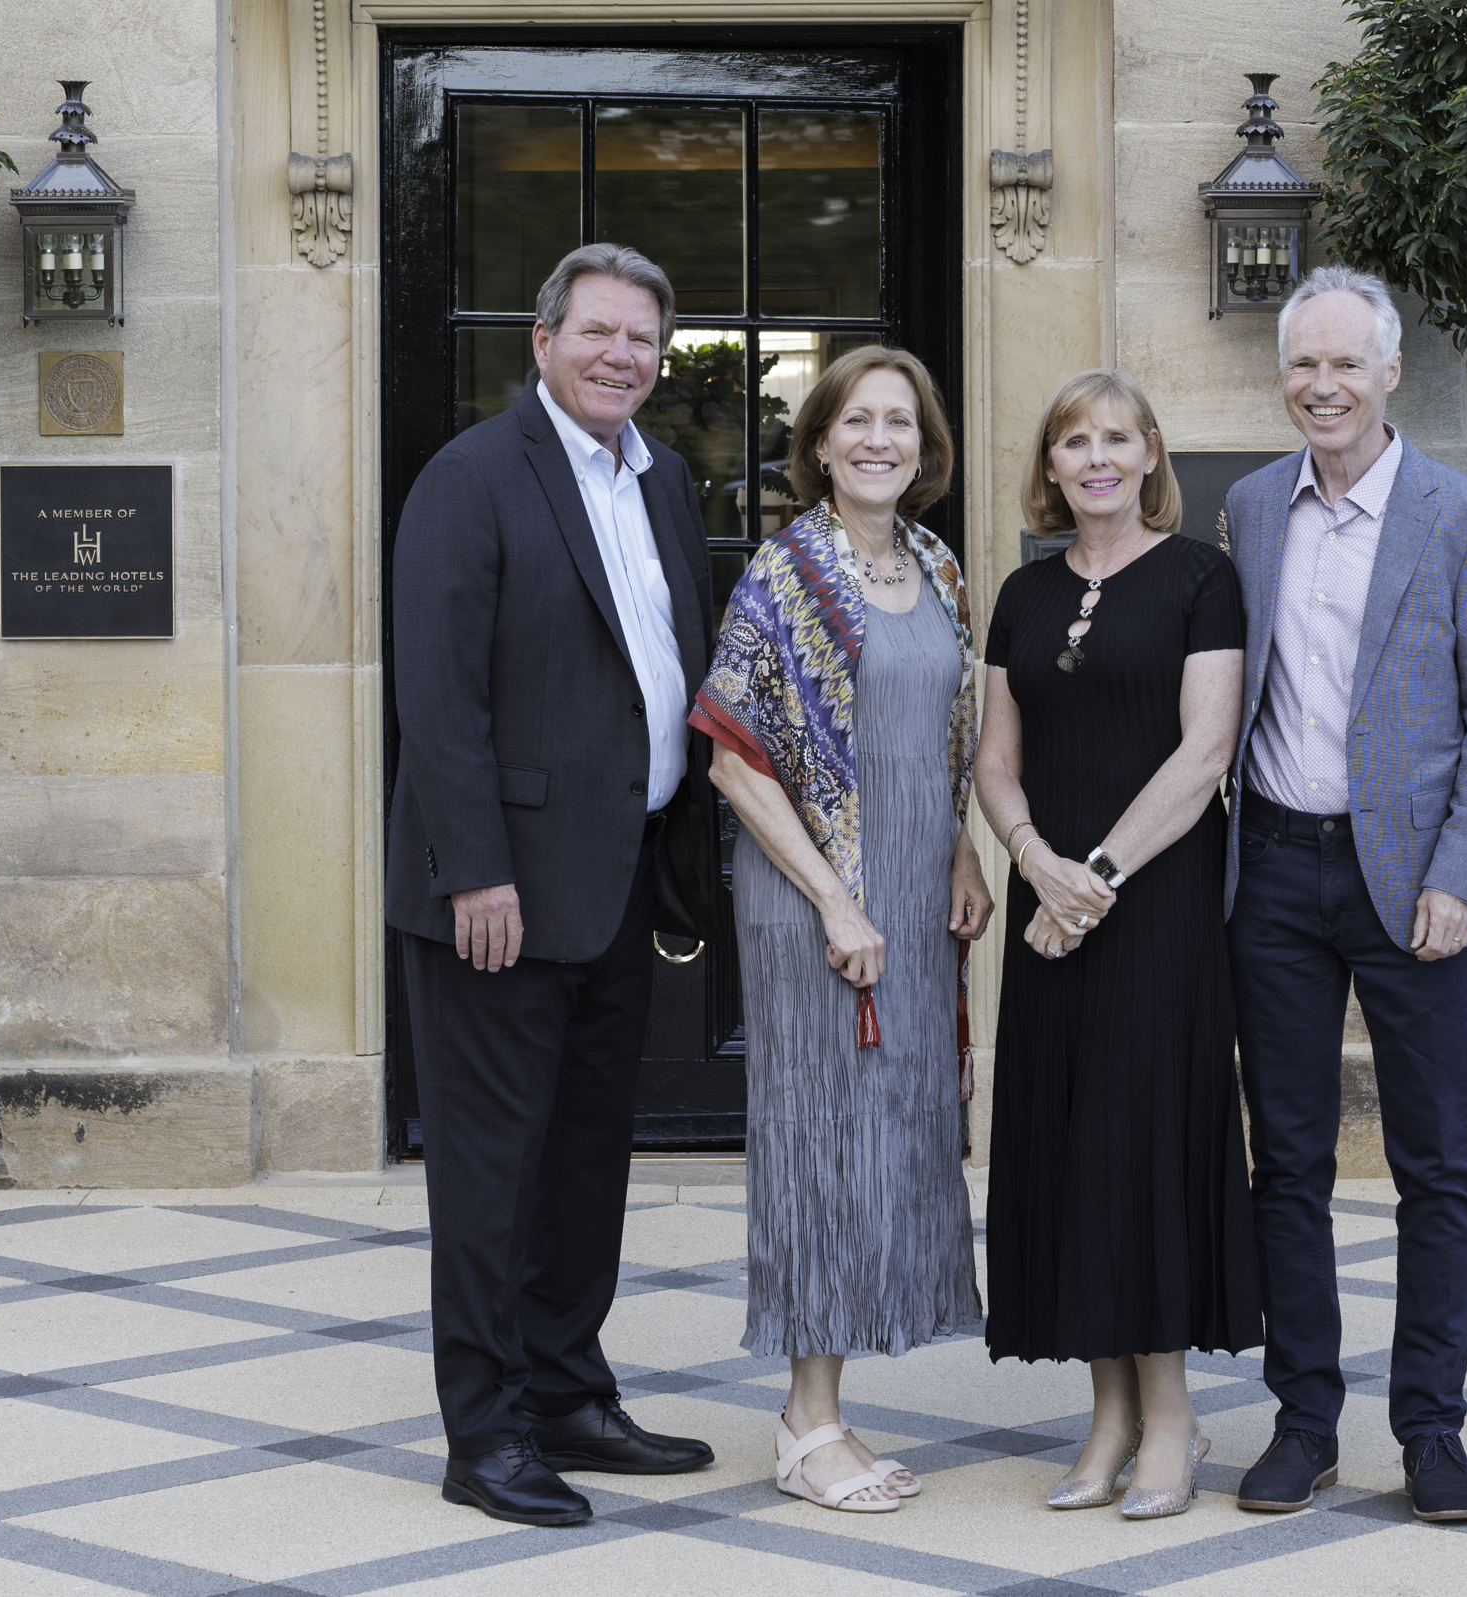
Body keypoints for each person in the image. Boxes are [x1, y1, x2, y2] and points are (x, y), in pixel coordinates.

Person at [387, 243, 721, 1527]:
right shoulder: (472, 479)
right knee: (489, 1172)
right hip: (500, 896)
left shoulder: (665, 480)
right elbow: (440, 695)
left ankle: (569, 1393)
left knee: (586, 1159)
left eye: (641, 339)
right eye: (596, 333)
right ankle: (486, 1432)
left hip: (621, 877)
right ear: (543, 341)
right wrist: (475, 869)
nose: (619, 357)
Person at [1223, 266, 1467, 1523]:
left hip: (1415, 887)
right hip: (1278, 871)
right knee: (1286, 1159)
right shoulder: (1245, 508)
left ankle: (1432, 1429)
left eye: (1347, 363)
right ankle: (1306, 1421)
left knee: (1433, 1165)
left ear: (1391, 371)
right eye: (1305, 364)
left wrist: (1462, 876)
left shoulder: (1466, 517)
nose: (1323, 385)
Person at [691, 346, 993, 1514]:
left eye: (902, 423)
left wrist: (965, 845)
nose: (880, 440)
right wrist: (834, 896)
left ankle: (833, 1400)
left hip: (918, 898)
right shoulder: (786, 571)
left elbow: (947, 736)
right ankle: (804, 1420)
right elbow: (731, 756)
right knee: (823, 1144)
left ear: (926, 447)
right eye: (858, 421)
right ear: (819, 441)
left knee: (892, 1139)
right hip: (817, 902)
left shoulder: (937, 565)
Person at [976, 368, 1263, 1520]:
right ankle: (1106, 1416)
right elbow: (994, 755)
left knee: (1145, 1143)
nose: (1096, 458)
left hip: (1157, 904)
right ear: (1049, 467)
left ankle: (1173, 1419)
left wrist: (1093, 878)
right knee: (1070, 1142)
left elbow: (1205, 755)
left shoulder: (1204, 578)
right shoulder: (1020, 592)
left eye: (1118, 438)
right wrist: (1036, 856)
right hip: (1050, 904)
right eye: (1073, 441)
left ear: (1151, 456)